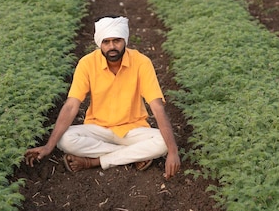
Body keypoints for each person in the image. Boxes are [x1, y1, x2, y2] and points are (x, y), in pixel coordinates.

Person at [24, 15, 181, 179]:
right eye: (106, 42)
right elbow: (71, 105)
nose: (112, 46)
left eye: (117, 40)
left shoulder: (141, 62)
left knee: (164, 143)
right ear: (99, 43)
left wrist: (173, 152)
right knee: (64, 139)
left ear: (125, 40)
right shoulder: (87, 63)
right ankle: (132, 156)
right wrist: (49, 146)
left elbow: (157, 107)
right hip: (98, 129)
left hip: (132, 130)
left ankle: (94, 161)